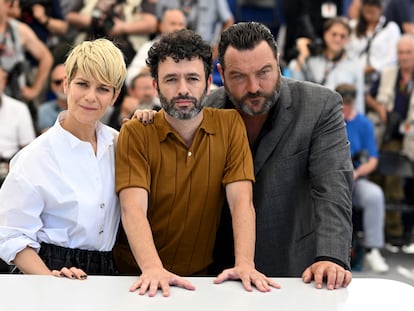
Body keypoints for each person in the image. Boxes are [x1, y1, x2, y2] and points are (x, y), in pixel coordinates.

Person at [135, 22, 354, 290]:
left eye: (264, 73)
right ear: (220, 74)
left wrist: (331, 257)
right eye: (238, 76)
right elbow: (171, 123)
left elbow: (333, 186)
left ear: (278, 62)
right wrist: (148, 118)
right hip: (218, 272)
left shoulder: (320, 105)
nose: (253, 87)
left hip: (296, 270)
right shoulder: (207, 108)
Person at [115, 28, 279, 297]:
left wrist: (245, 264)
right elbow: (132, 208)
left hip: (200, 283)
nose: (182, 89)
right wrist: (153, 268)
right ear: (155, 86)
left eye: (192, 78)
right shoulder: (136, 131)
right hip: (135, 280)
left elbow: (241, 201)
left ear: (207, 82)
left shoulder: (230, 125)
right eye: (171, 79)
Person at [0, 38, 126, 278]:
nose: (90, 96)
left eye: (103, 88)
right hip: (48, 268)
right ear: (66, 84)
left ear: (115, 96)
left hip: (108, 270)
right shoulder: (34, 157)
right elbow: (10, 233)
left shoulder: (120, 144)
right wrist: (49, 279)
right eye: (82, 84)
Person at [365, 34, 414, 253]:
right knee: (375, 178)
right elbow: (368, 96)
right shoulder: (387, 74)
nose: (404, 57)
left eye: (408, 52)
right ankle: (378, 234)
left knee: (394, 182)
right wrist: (380, 109)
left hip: (408, 140)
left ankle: (394, 233)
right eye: (401, 52)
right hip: (383, 134)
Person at [335, 83, 389, 273]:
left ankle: (372, 249)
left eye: (349, 104)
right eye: (343, 104)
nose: (346, 108)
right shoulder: (329, 120)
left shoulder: (364, 123)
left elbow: (373, 158)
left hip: (356, 177)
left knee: (374, 195)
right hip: (333, 178)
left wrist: (357, 173)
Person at [288, 16, 365, 114]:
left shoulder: (355, 66)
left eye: (342, 36)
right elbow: (297, 89)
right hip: (314, 116)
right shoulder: (312, 60)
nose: (338, 39)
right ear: (325, 34)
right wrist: (302, 56)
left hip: (341, 119)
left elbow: (359, 104)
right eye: (334, 34)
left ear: (348, 39)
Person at [0, 0, 53, 103]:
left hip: (14, 96)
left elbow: (46, 57)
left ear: (7, 5)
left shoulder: (19, 30)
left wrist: (34, 90)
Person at [346, 0, 401, 93]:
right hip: (354, 74)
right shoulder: (353, 26)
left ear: (380, 9)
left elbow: (393, 58)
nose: (368, 15)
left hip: (380, 77)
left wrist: (374, 67)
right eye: (366, 11)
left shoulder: (391, 28)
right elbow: (346, 50)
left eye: (372, 12)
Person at [125, 8, 187, 87]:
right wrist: (149, 70)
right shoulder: (149, 47)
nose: (177, 28)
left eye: (180, 24)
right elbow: (130, 78)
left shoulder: (193, 51)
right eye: (173, 24)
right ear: (161, 26)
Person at [0, 65, 36, 184]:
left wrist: (13, 166)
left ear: (4, 81)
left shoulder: (19, 109)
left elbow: (29, 149)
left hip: (10, 168)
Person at [37, 63, 67, 133]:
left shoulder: (87, 106)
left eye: (67, 81)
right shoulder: (45, 110)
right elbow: (50, 140)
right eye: (58, 82)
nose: (63, 86)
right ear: (51, 86)